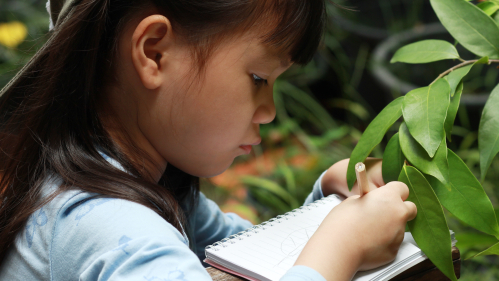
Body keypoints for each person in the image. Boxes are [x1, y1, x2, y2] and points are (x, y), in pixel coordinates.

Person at [0, 0, 417, 280]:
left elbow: (245, 259)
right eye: (259, 78)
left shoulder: (143, 185)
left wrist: (327, 199)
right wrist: (341, 247)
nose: (269, 110)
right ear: (154, 52)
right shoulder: (108, 228)